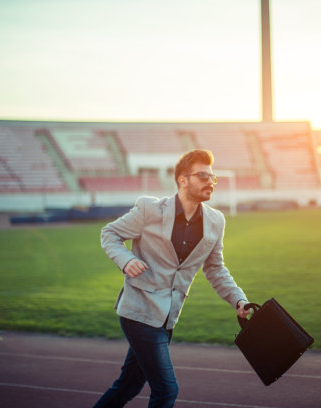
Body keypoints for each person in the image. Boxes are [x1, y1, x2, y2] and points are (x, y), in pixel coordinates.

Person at [93, 149, 250, 408]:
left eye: (212, 177)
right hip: (139, 311)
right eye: (202, 175)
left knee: (127, 386)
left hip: (168, 317)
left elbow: (216, 268)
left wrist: (238, 300)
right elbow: (109, 233)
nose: (210, 181)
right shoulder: (149, 209)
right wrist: (126, 260)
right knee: (166, 391)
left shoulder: (215, 221)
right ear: (182, 180)